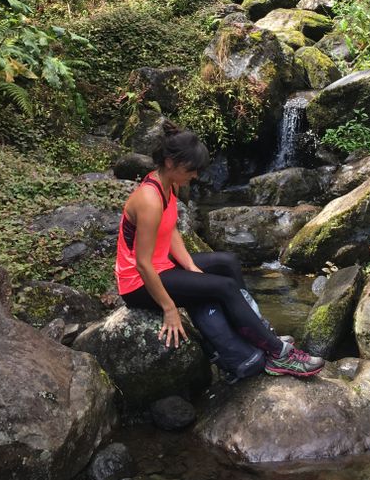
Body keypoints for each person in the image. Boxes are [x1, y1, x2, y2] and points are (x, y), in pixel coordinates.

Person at [115, 122, 324, 378]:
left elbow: (170, 230)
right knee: (223, 287)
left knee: (226, 262)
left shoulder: (168, 185)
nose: (194, 176)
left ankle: (260, 331)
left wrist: (192, 267)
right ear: (170, 162)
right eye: (191, 170)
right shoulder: (148, 199)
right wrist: (169, 309)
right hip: (138, 284)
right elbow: (143, 264)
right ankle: (280, 356)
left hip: (162, 268)